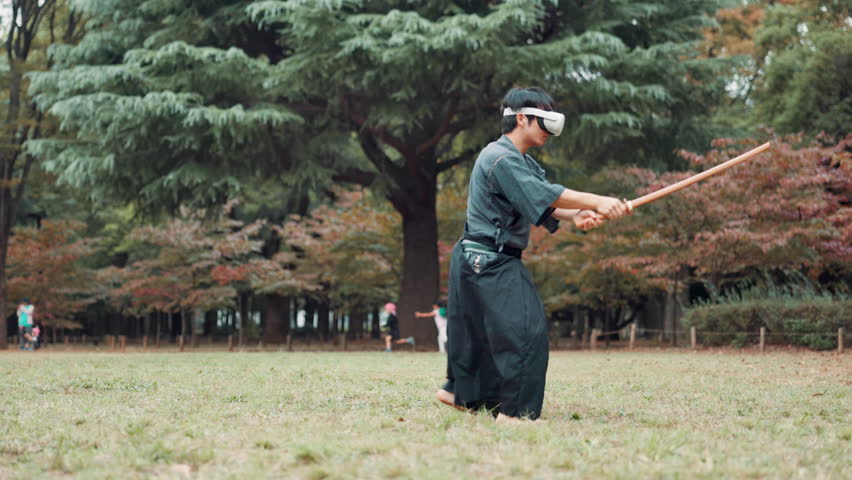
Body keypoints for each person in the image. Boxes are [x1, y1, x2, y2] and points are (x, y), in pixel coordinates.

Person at [436, 87, 630, 423]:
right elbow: (543, 194)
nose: (549, 130)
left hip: (477, 258)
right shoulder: (501, 158)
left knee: (484, 333)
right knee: (525, 331)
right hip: (489, 259)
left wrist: (577, 215)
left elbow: (544, 201)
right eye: (545, 120)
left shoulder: (519, 161)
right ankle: (514, 413)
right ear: (521, 118)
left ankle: (461, 394)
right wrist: (596, 200)